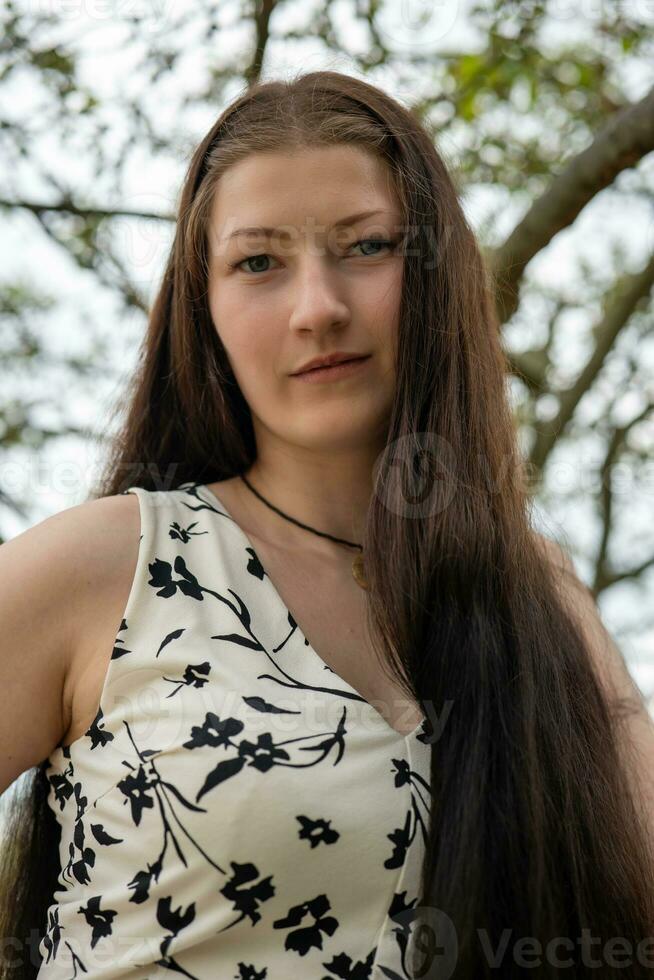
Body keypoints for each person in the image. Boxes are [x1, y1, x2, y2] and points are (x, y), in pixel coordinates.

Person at [1, 69, 653, 980]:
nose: (319, 308)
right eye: (259, 261)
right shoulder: (111, 562)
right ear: (205, 306)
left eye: (369, 246)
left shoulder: (536, 595)